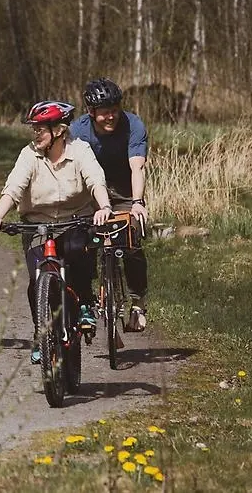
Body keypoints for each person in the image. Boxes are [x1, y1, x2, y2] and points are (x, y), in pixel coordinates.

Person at [0, 101, 112, 364]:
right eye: (35, 129)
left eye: (41, 129)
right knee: (37, 280)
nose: (36, 134)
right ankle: (40, 332)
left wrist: (104, 207)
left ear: (59, 130)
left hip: (75, 219)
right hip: (37, 224)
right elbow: (13, 188)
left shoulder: (80, 151)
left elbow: (95, 181)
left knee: (78, 251)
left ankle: (85, 303)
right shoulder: (29, 154)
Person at [70, 77, 150, 332]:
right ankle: (87, 299)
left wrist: (137, 202)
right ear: (91, 113)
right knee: (83, 242)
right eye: (105, 113)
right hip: (92, 193)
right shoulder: (78, 131)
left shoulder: (133, 125)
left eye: (115, 110)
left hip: (126, 191)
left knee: (131, 239)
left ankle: (138, 302)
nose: (111, 117)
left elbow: (137, 167)